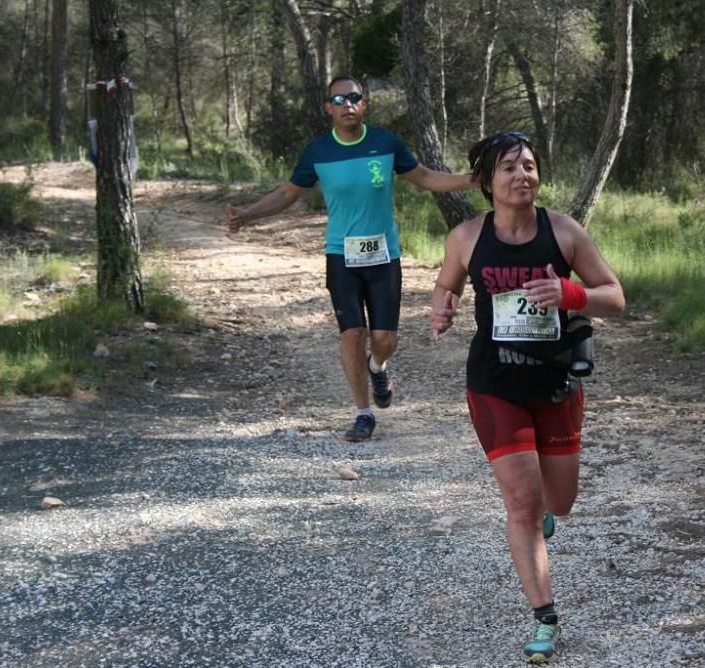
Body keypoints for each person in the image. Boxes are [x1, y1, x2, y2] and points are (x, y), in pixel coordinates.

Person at [429, 131, 625, 663]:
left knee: (558, 502)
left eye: (531, 167)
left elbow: (615, 296)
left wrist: (570, 293)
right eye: (510, 168)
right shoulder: (467, 238)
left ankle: (546, 513)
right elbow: (446, 285)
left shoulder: (563, 233)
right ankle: (545, 618)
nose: (523, 176)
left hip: (556, 381)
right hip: (495, 383)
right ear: (487, 182)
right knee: (522, 501)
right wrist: (441, 307)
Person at [227, 75, 474, 442]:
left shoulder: (385, 143)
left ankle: (378, 367)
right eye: (338, 99)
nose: (347, 104)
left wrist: (472, 179)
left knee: (385, 338)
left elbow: (423, 177)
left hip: (383, 255)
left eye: (354, 98)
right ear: (328, 108)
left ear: (364, 104)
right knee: (352, 333)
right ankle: (362, 412)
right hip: (341, 255)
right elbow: (287, 193)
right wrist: (248, 214)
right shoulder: (318, 152)